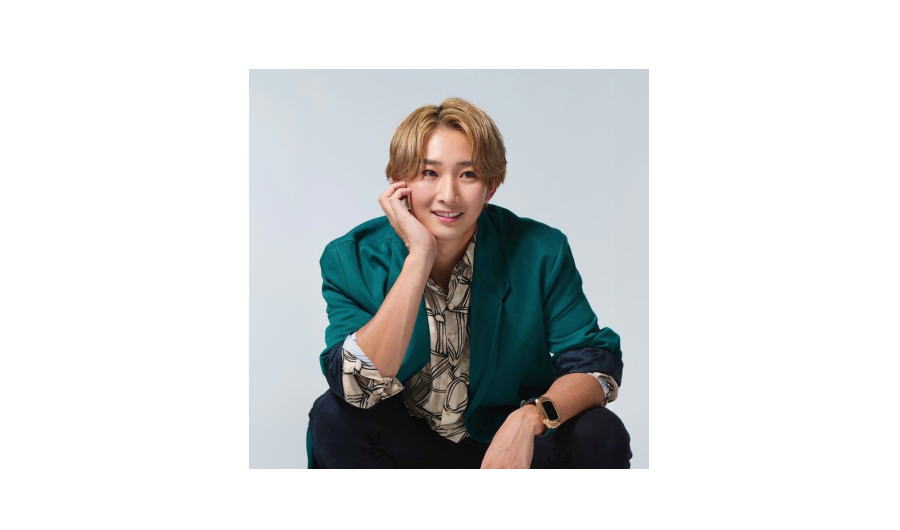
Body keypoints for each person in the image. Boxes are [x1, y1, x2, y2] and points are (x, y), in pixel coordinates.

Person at [306, 97, 631, 468]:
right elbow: (355, 388)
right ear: (399, 182)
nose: (448, 195)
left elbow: (593, 363)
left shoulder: (540, 250)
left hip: (504, 440)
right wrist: (419, 258)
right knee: (334, 416)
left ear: (491, 186)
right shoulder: (351, 257)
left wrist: (533, 417)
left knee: (600, 431)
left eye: (468, 174)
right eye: (429, 173)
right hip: (405, 445)